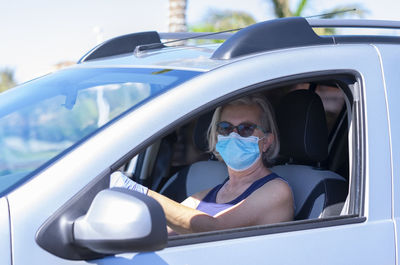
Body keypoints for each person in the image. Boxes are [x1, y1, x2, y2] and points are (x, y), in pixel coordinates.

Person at [110, 94, 294, 235]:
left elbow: (213, 229)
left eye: (246, 128)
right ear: (216, 136)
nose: (233, 135)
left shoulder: (276, 191)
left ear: (267, 141)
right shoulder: (207, 195)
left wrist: (141, 194)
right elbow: (162, 230)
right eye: (225, 128)